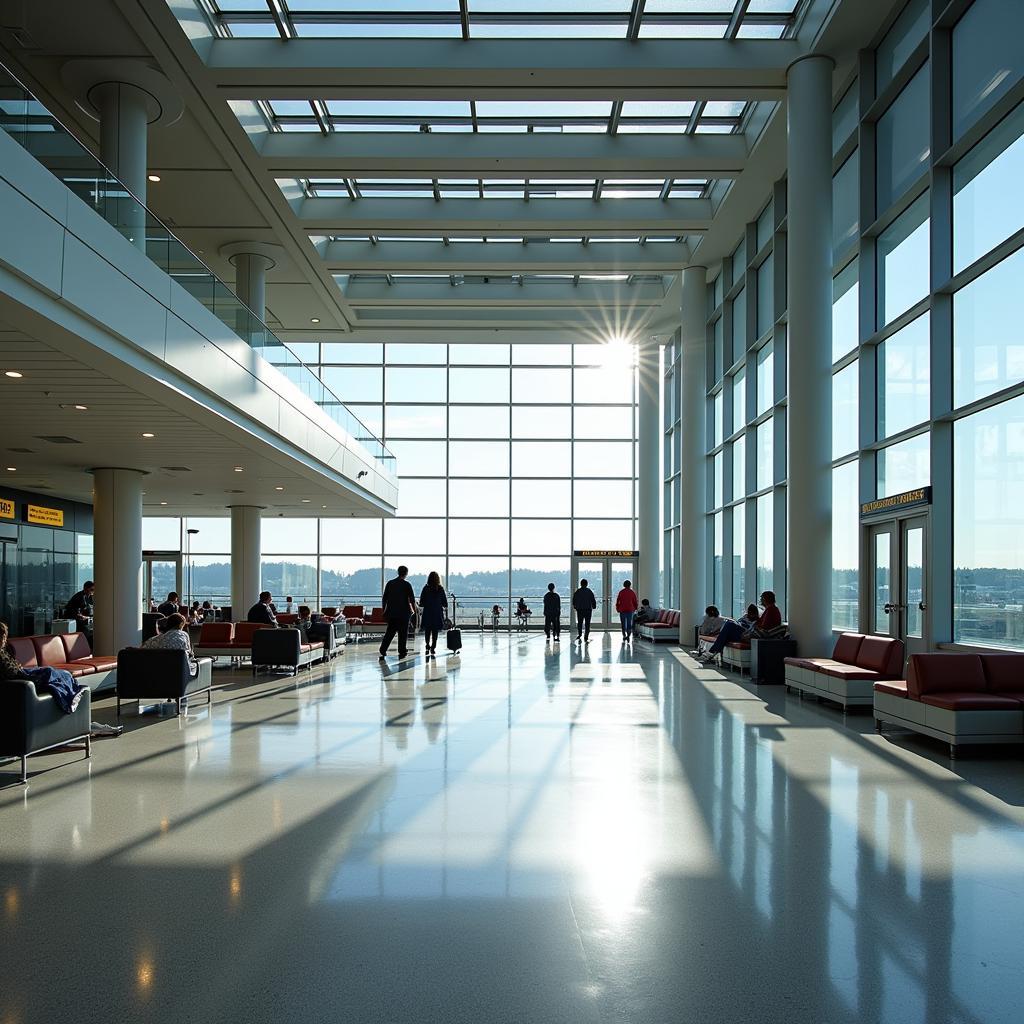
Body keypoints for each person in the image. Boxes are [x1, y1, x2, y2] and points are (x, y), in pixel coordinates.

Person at [1, 620, 86, 713]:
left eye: (5, 636)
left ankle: (72, 686)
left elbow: (14, 667)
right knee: (49, 671)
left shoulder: (5, 651)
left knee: (57, 672)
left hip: (22, 672)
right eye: (2, 636)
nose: (4, 639)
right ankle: (71, 692)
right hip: (21, 677)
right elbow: (11, 673)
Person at [697, 591, 784, 663]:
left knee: (729, 625)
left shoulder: (771, 610)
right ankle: (712, 653)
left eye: (761, 598)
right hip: (753, 634)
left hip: (754, 636)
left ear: (765, 599)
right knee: (728, 631)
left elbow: (763, 627)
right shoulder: (771, 610)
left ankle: (712, 653)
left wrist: (751, 628)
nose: (760, 600)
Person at [142, 612, 199, 677]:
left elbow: (142, 649)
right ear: (181, 624)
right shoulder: (183, 635)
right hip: (177, 670)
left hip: (154, 670)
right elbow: (189, 653)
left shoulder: (153, 639)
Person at [379, 566, 416, 660]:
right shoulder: (407, 584)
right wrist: (414, 611)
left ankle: (383, 649)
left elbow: (384, 598)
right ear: (406, 573)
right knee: (403, 633)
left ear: (398, 572)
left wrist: (384, 610)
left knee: (390, 632)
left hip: (392, 612)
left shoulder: (390, 583)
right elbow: (412, 599)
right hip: (404, 613)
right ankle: (402, 650)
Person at [418, 571, 448, 658]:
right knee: (435, 631)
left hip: (428, 612)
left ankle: (427, 645)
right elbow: (445, 603)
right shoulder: (440, 589)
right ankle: (433, 647)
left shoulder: (425, 588)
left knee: (428, 630)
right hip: (437, 613)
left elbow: (421, 603)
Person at [572, 579, 597, 644]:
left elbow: (574, 600)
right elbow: (593, 599)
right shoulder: (589, 591)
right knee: (587, 623)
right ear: (586, 584)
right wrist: (594, 606)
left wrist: (575, 606)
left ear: (581, 584)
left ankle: (580, 634)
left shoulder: (578, 591)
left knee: (580, 622)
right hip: (588, 609)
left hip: (580, 609)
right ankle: (586, 636)